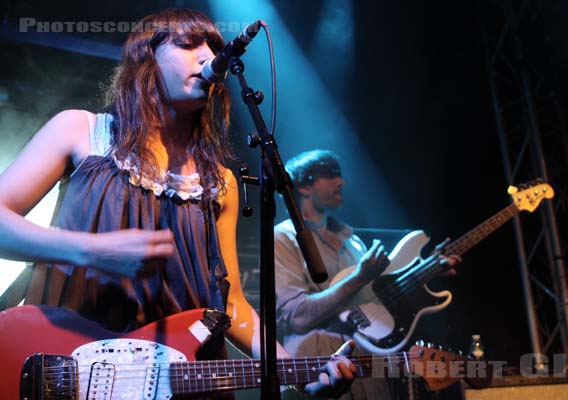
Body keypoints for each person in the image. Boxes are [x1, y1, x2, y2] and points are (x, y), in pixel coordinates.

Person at [0, 9, 356, 399]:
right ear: (147, 59)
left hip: (181, 380)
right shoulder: (82, 131)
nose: (207, 57)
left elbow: (230, 302)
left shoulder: (220, 183)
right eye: (188, 45)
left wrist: (294, 370)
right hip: (71, 368)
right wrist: (92, 251)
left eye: (213, 47)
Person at [274, 149, 462, 399]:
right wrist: (360, 276)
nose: (341, 181)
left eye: (339, 174)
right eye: (330, 175)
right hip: (314, 370)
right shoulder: (283, 238)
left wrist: (428, 270)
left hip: (368, 368)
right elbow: (297, 318)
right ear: (305, 187)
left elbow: (375, 304)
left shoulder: (353, 242)